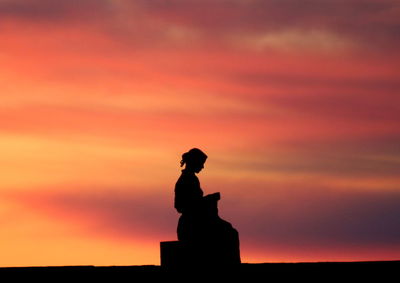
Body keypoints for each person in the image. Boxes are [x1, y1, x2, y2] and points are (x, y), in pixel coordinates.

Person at [174, 148, 241, 265]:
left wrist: (207, 200)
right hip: (192, 225)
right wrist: (208, 199)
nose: (202, 167)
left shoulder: (191, 179)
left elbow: (195, 202)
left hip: (196, 222)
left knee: (229, 229)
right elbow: (180, 206)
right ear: (194, 162)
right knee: (229, 233)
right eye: (201, 164)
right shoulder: (186, 180)